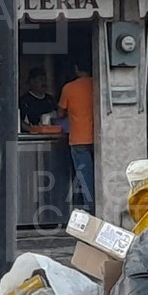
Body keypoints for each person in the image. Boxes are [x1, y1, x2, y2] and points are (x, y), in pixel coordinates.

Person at [58, 68, 96, 214]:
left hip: (79, 139)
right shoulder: (98, 84)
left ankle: (91, 210)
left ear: (75, 68)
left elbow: (60, 113)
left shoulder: (69, 88)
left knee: (85, 176)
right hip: (100, 138)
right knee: (102, 174)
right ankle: (103, 207)